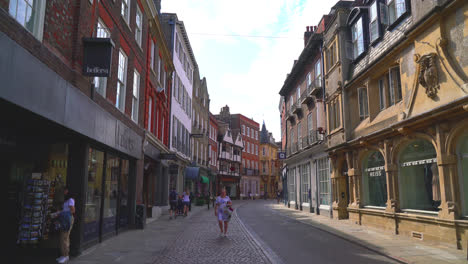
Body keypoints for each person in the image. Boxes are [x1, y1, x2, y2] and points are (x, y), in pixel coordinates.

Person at [56, 187, 75, 264]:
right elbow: (66, 210)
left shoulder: (70, 200)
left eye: (66, 190)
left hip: (67, 220)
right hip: (64, 219)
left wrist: (62, 213)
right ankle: (63, 254)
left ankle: (66, 256)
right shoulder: (66, 200)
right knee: (62, 237)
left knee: (65, 237)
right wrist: (59, 212)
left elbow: (72, 211)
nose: (64, 192)